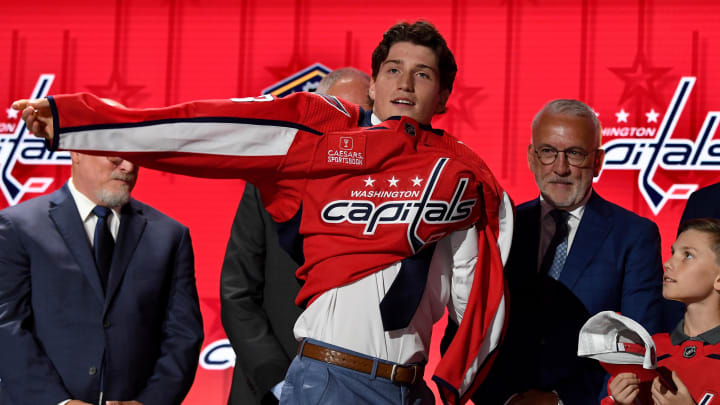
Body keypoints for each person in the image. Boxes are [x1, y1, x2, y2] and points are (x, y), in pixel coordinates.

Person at [13, 21, 513, 405]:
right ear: (375, 85)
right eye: (393, 70)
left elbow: (478, 295)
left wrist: (456, 386)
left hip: (409, 387)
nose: (405, 83)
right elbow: (205, 130)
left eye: (422, 74)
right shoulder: (322, 135)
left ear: (443, 95)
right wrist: (77, 123)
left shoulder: (464, 176)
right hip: (328, 380)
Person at [0, 99, 203, 405]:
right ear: (77, 151)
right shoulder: (19, 226)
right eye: (115, 153)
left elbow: (183, 335)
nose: (129, 166)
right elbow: (7, 326)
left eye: (134, 155)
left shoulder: (170, 236)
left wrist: (149, 402)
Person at [464, 99, 666, 404]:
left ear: (597, 161)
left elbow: (640, 346)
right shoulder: (500, 230)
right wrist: (505, 398)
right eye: (548, 152)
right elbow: (467, 330)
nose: (560, 168)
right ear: (532, 157)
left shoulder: (635, 236)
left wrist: (561, 400)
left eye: (574, 153)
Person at [220, 67, 372, 405]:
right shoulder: (270, 186)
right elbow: (238, 294)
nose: (351, 129)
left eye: (362, 118)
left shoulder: (389, 198)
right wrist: (278, 382)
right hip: (271, 390)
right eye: (339, 115)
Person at [604, 218, 720, 405]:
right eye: (673, 253)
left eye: (688, 255)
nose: (668, 263)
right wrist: (618, 402)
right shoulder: (647, 351)